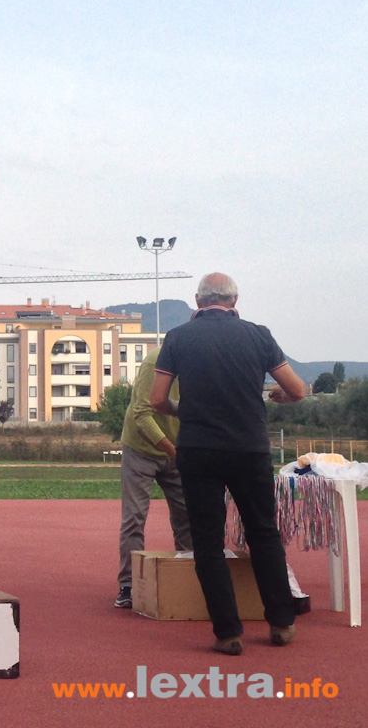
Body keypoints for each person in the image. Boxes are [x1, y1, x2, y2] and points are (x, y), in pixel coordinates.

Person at [150, 272, 306, 655]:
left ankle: (228, 633)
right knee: (263, 533)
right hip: (249, 448)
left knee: (207, 540)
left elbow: (156, 400)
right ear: (235, 301)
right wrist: (280, 397)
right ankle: (281, 622)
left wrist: (184, 410)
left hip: (198, 449)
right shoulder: (258, 335)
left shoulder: (178, 338)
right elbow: (297, 389)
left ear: (197, 301)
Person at [114, 347, 193, 609]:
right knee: (134, 517)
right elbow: (141, 414)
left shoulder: (204, 363)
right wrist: (172, 451)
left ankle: (188, 576)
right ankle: (129, 584)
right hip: (141, 448)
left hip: (178, 446)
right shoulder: (155, 362)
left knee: (187, 515)